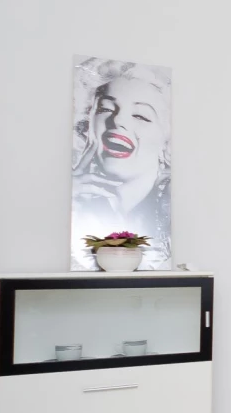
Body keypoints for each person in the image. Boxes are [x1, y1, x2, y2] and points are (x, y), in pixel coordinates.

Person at [71, 59, 172, 269]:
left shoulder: (170, 220)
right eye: (106, 109)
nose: (117, 121)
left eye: (141, 116)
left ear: (166, 142)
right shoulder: (77, 206)